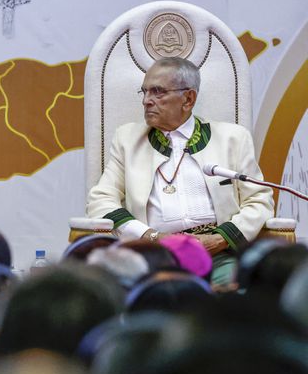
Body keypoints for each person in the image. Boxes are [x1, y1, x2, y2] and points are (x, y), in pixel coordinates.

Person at [86, 57, 274, 282]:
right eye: (144, 92)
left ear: (188, 98)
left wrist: (220, 239)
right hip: (153, 256)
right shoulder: (127, 140)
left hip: (218, 255)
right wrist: (151, 236)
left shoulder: (232, 139)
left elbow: (259, 201)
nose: (146, 101)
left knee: (233, 300)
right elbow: (100, 201)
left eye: (157, 92)